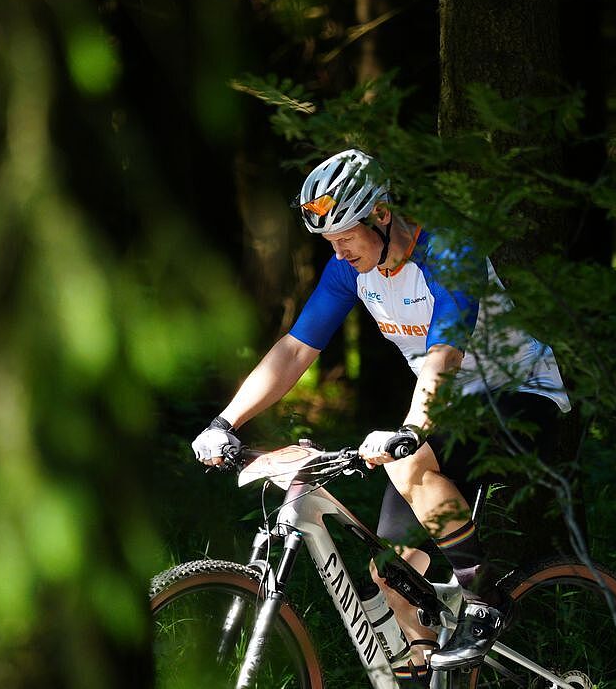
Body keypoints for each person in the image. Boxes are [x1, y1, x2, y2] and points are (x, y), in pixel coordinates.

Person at [191, 148, 570, 678]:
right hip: (454, 410)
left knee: (409, 465)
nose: (339, 253)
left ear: (382, 216)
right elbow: (297, 349)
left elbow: (444, 356)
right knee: (393, 580)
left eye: (346, 237)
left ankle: (482, 602)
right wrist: (224, 421)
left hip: (523, 397)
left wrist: (411, 429)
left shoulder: (449, 253)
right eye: (329, 242)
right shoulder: (353, 271)